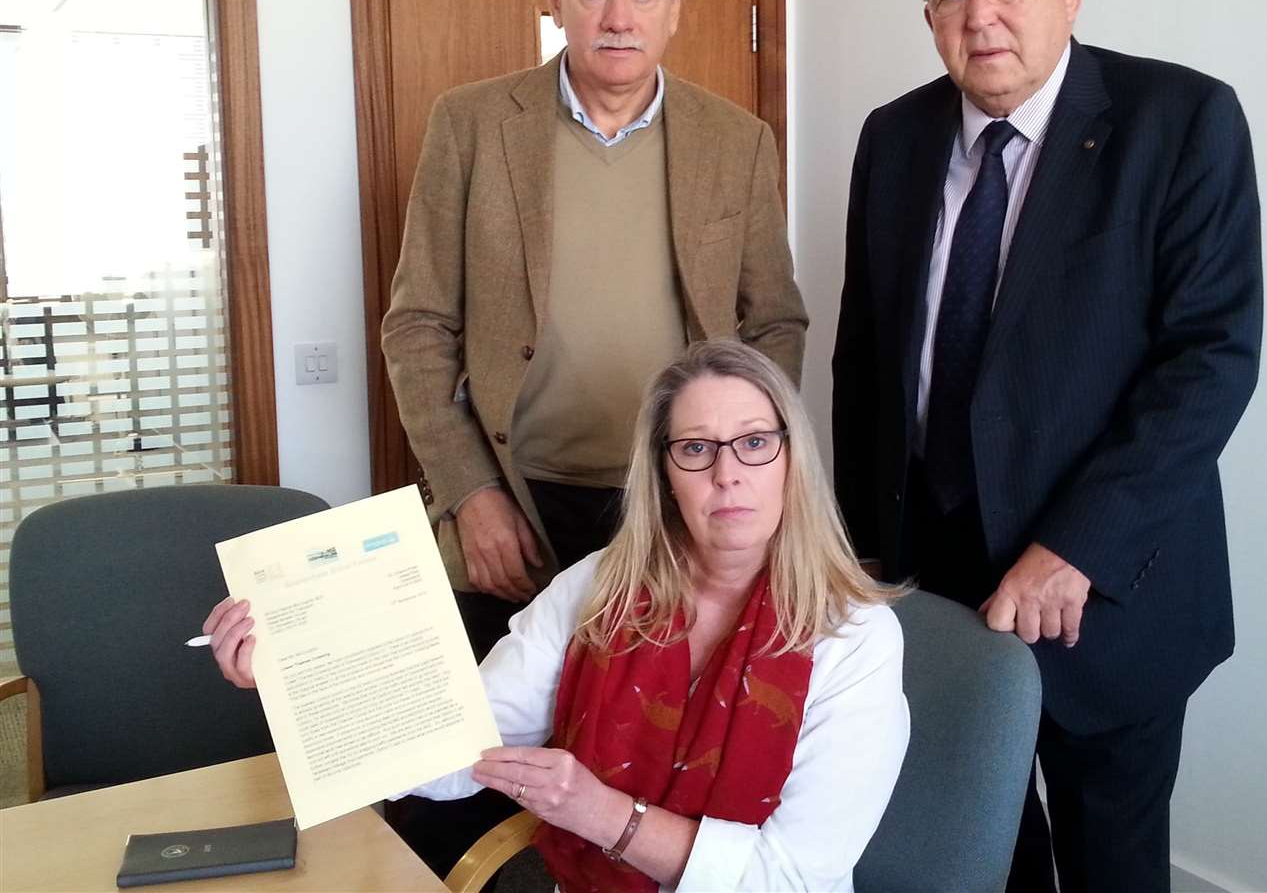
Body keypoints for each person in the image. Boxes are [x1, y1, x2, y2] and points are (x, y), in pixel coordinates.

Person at [832, 0, 1262, 891]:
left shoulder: (1182, 122)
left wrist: (1078, 548)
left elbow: (1210, 361)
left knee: (1111, 861)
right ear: (929, 20)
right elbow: (866, 365)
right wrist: (854, 553)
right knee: (976, 851)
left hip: (1107, 593)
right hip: (929, 587)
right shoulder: (892, 139)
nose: (981, 15)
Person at [207, 340, 907, 891]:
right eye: (695, 449)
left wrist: (604, 815)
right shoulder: (598, 589)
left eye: (755, 442)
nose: (728, 473)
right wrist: (297, 681)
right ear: (663, 473)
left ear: (793, 459)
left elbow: (790, 878)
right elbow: (459, 745)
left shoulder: (855, 639)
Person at [381, 0, 807, 662]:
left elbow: (774, 322)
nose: (618, 16)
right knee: (493, 746)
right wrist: (470, 492)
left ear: (674, 6)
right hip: (517, 497)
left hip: (678, 499)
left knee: (645, 739)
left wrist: (741, 466)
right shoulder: (471, 125)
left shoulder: (737, 142)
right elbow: (417, 326)